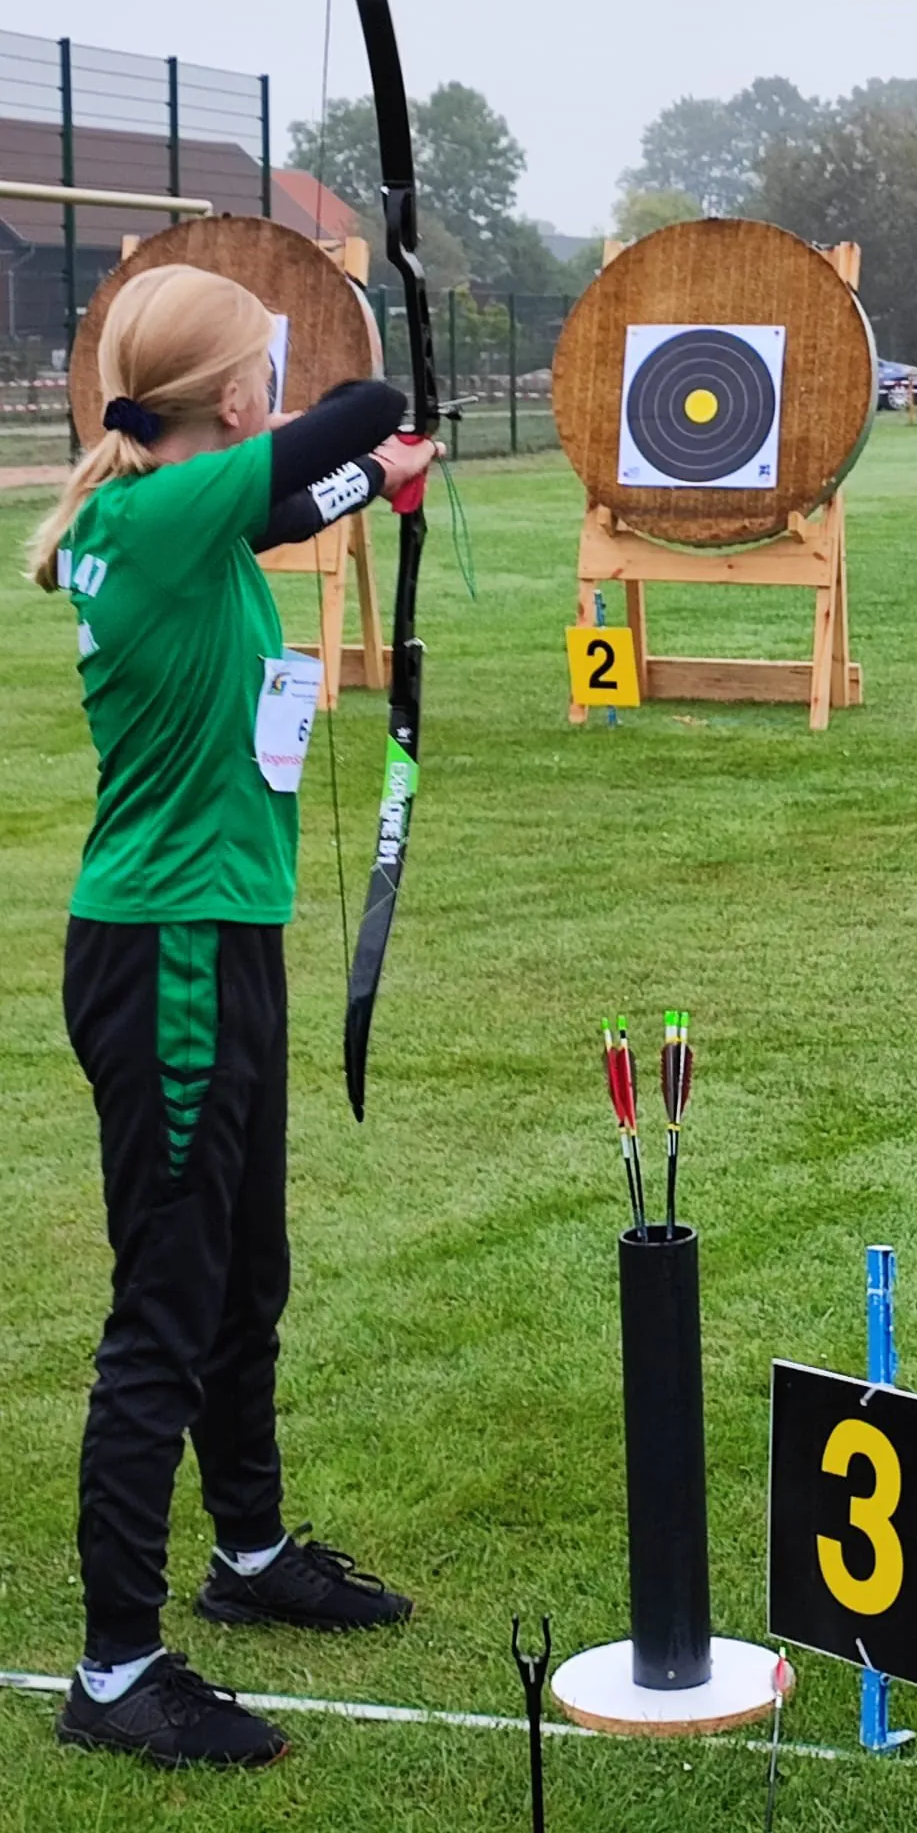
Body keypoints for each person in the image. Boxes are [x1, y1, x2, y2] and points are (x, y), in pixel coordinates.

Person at [27, 264, 440, 1771]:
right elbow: (371, 405)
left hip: (214, 940)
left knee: (241, 1272)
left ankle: (251, 1556)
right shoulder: (154, 516)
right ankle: (117, 1668)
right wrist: (371, 437)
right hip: (172, 953)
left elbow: (297, 489)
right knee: (166, 1308)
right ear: (233, 396)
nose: (282, 386)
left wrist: (363, 478)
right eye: (266, 369)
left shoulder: (171, 510)